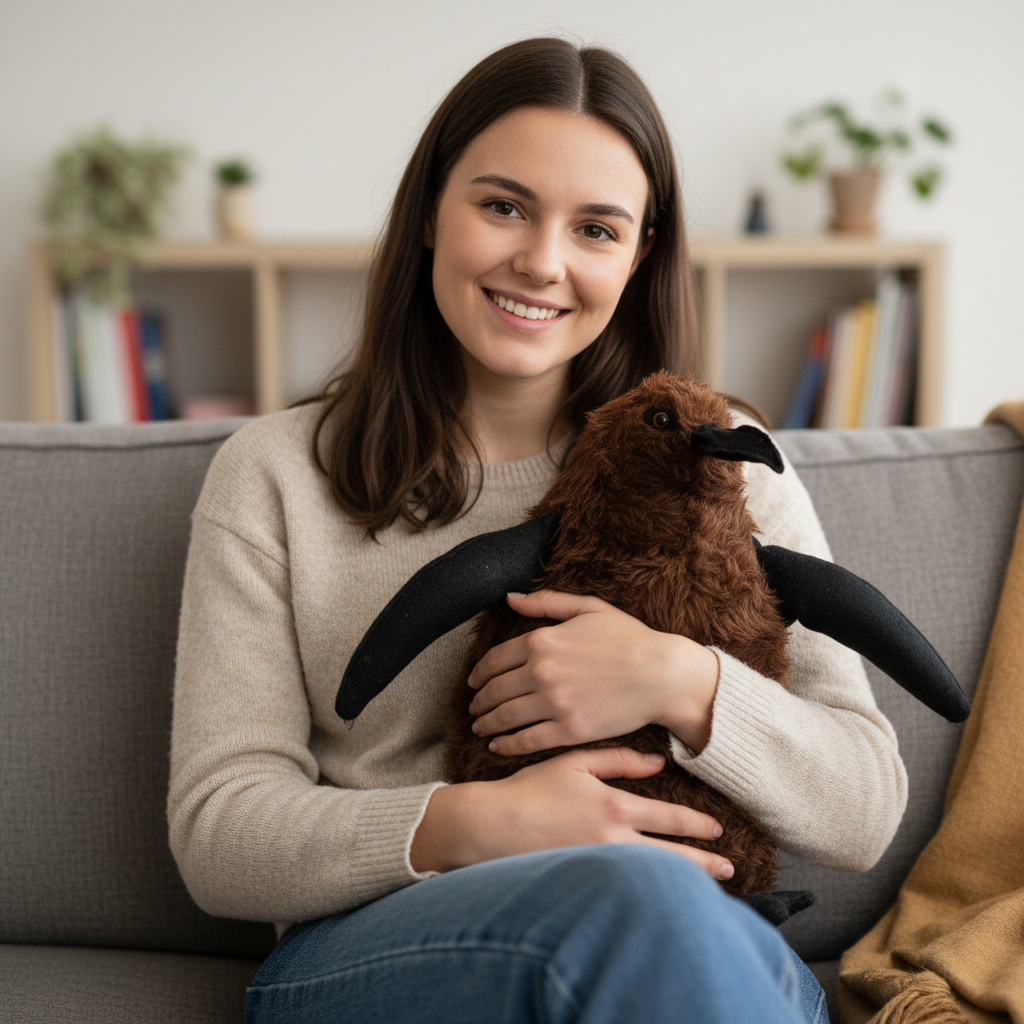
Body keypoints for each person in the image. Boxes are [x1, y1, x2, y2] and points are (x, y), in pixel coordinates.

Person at [168, 37, 907, 1024]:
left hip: (698, 944)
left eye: (596, 228)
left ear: (639, 253)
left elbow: (863, 808)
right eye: (503, 205)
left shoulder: (720, 459)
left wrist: (677, 682)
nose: (542, 261)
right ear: (432, 209)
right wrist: (485, 821)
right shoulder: (273, 474)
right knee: (642, 908)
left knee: (673, 925)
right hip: (385, 948)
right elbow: (219, 834)